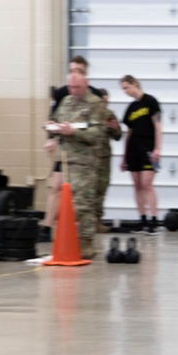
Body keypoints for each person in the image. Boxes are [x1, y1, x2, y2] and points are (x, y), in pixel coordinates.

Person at [40, 58, 105, 243]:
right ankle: (55, 232)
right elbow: (55, 121)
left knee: (82, 205)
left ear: (86, 81)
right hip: (67, 158)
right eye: (70, 86)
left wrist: (73, 131)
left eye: (76, 87)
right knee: (59, 192)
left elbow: (97, 133)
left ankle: (84, 245)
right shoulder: (65, 100)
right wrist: (52, 132)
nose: (72, 90)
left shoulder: (95, 102)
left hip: (86, 163)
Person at [120, 75, 162, 235]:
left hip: (148, 147)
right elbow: (129, 132)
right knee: (137, 185)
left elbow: (157, 126)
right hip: (133, 149)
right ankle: (142, 219)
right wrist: (124, 156)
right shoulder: (131, 108)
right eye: (123, 89)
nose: (125, 91)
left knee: (147, 184)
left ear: (134, 84)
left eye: (126, 87)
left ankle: (154, 221)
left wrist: (158, 148)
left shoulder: (151, 101)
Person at [94, 88, 123, 233]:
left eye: (106, 100)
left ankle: (97, 221)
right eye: (102, 100)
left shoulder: (109, 115)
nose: (104, 103)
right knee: (87, 190)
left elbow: (118, 136)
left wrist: (115, 128)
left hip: (104, 157)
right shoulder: (89, 113)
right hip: (89, 157)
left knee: (101, 189)